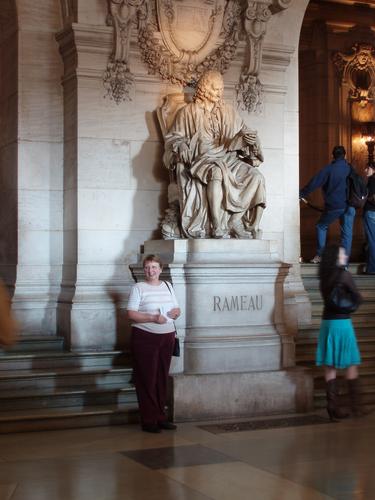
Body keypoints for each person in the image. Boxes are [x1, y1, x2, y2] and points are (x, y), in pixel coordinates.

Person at [163, 70, 266, 239]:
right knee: (216, 173)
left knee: (256, 177)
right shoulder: (188, 112)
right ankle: (217, 225)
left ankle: (235, 220)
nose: (219, 93)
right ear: (204, 89)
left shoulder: (229, 111)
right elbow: (174, 138)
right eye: (215, 89)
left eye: (221, 89)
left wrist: (250, 139)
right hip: (202, 159)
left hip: (228, 157)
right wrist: (180, 145)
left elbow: (243, 130)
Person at [126, 254, 181, 433]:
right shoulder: (138, 287)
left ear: (161, 269)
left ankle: (160, 416)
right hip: (145, 337)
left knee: (161, 378)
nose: (151, 271)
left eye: (154, 267)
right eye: (148, 267)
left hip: (167, 337)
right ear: (144, 270)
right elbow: (131, 314)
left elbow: (177, 309)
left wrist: (174, 313)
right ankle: (149, 419)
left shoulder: (168, 286)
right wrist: (152, 318)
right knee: (146, 379)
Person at [316, 245, 364, 420]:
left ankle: (332, 407)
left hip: (327, 323)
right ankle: (356, 406)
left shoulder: (324, 278)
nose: (345, 255)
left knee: (330, 366)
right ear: (336, 257)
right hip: (342, 323)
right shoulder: (344, 275)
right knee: (351, 363)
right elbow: (358, 297)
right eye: (342, 253)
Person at [299, 145, 355, 263]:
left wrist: (302, 193)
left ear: (332, 156)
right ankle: (343, 263)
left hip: (335, 205)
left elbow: (314, 183)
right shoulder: (350, 168)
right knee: (347, 234)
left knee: (321, 225)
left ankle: (320, 255)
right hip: (350, 206)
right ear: (345, 155)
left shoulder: (329, 169)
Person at [363, 164, 375, 274]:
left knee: (372, 240)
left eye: (368, 168)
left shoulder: (372, 180)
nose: (365, 170)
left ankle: (372, 269)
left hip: (371, 211)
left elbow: (370, 196)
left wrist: (363, 197)